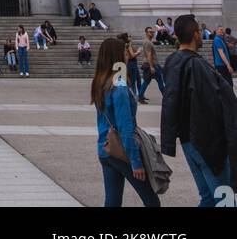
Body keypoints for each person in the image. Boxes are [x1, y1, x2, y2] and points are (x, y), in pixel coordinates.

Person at [161, 13, 237, 207]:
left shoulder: (172, 61)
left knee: (209, 199)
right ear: (196, 35)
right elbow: (211, 107)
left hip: (188, 141)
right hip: (207, 143)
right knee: (224, 199)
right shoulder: (196, 64)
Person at [92, 36, 160, 208]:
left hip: (104, 147)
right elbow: (125, 126)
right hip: (121, 150)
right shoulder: (119, 84)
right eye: (124, 50)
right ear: (116, 55)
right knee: (152, 201)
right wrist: (136, 162)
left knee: (112, 202)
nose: (128, 53)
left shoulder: (101, 80)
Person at [138, 28, 165, 101]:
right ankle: (166, 97)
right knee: (160, 81)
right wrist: (151, 67)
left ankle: (140, 96)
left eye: (153, 32)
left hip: (151, 64)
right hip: (152, 64)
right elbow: (149, 54)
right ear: (146, 33)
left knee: (147, 81)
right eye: (150, 32)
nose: (152, 33)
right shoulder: (147, 42)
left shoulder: (148, 41)